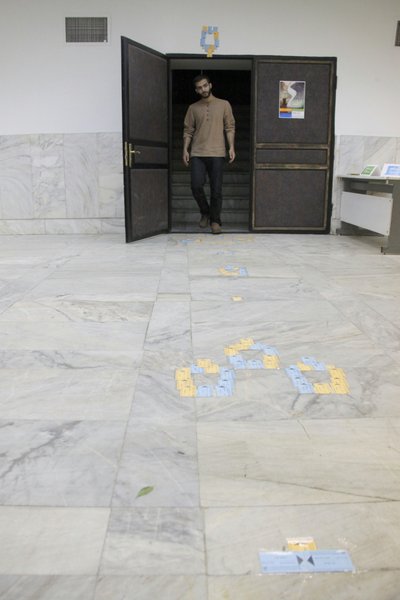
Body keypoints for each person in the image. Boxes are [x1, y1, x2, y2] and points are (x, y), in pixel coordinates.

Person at [182, 74, 235, 234]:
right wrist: (185, 149)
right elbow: (188, 130)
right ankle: (205, 212)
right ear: (196, 90)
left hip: (217, 152)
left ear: (210, 85)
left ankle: (215, 221)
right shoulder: (193, 108)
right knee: (196, 186)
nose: (203, 89)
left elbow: (230, 127)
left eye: (205, 85)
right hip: (197, 153)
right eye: (199, 88)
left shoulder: (224, 104)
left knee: (216, 190)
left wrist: (231, 147)